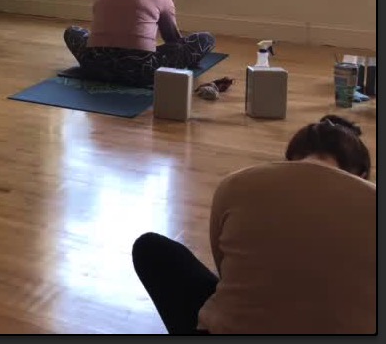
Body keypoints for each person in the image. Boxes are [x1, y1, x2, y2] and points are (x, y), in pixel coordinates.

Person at [130, 115, 375, 335]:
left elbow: (223, 266)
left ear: (291, 159)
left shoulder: (236, 184)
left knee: (151, 248)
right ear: (362, 174)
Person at [63, 0, 215, 87]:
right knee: (206, 39)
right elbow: (173, 39)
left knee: (72, 31)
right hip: (141, 70)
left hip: (94, 65)